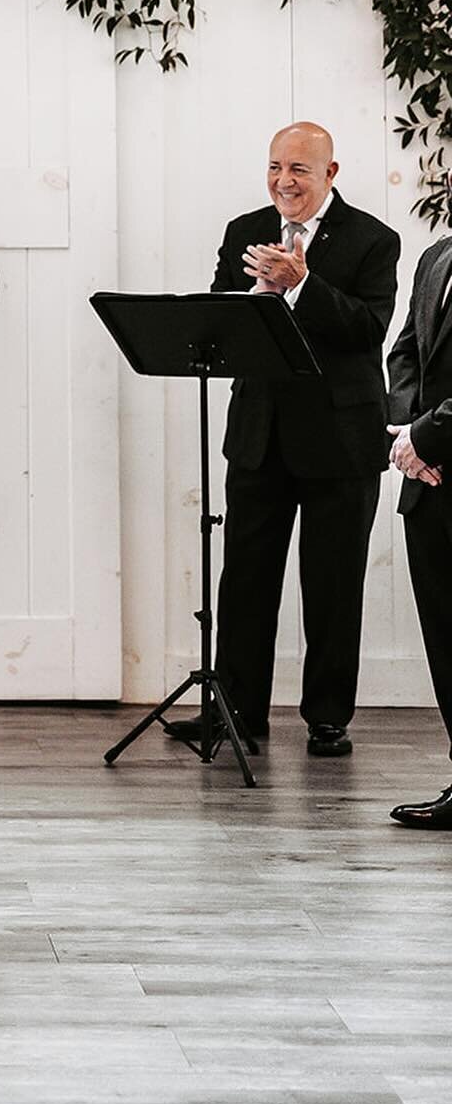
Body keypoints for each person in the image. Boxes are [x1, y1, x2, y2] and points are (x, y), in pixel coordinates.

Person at [173, 122, 398, 759]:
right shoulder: (244, 231)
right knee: (244, 579)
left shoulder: (374, 239)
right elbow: (215, 318)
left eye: (298, 169)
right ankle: (236, 713)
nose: (283, 181)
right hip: (260, 434)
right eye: (274, 167)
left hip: (341, 440)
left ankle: (328, 718)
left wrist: (302, 283)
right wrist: (260, 293)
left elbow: (367, 329)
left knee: (332, 583)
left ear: (331, 173)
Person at [386, 232, 452, 827]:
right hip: (429, 483)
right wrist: (408, 434)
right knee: (447, 642)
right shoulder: (437, 256)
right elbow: (405, 352)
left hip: (436, 451)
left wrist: (427, 435)